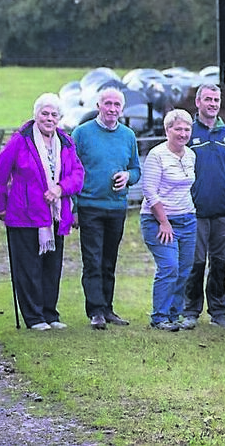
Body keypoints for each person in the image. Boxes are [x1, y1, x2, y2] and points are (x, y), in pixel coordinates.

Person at [0, 93, 84, 331]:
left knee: (52, 267)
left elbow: (77, 174)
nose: (49, 118)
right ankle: (34, 317)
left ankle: (50, 313)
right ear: (36, 115)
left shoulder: (66, 141)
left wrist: (60, 188)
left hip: (56, 215)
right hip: (24, 214)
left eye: (54, 114)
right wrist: (1, 207)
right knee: (28, 267)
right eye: (45, 113)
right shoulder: (20, 140)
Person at [72, 87, 141, 330]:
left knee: (109, 260)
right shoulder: (82, 133)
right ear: (98, 106)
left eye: (116, 105)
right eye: (108, 104)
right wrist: (74, 208)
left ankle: (108, 308)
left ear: (122, 109)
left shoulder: (128, 135)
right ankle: (96, 311)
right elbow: (70, 170)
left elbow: (136, 169)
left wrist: (128, 176)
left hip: (116, 206)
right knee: (93, 260)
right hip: (90, 205)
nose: (112, 109)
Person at [182, 84, 225, 329]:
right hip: (194, 211)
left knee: (220, 262)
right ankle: (190, 310)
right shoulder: (188, 132)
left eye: (216, 100)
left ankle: (219, 311)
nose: (213, 104)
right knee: (195, 263)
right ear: (198, 102)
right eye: (208, 99)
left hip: (222, 211)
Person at [140, 109, 197, 332]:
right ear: (167, 130)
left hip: (187, 218)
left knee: (184, 269)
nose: (183, 133)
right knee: (169, 266)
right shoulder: (157, 155)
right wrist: (164, 222)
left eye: (187, 129)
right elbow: (149, 191)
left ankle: (174, 314)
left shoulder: (190, 155)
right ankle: (159, 317)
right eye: (178, 129)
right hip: (158, 220)